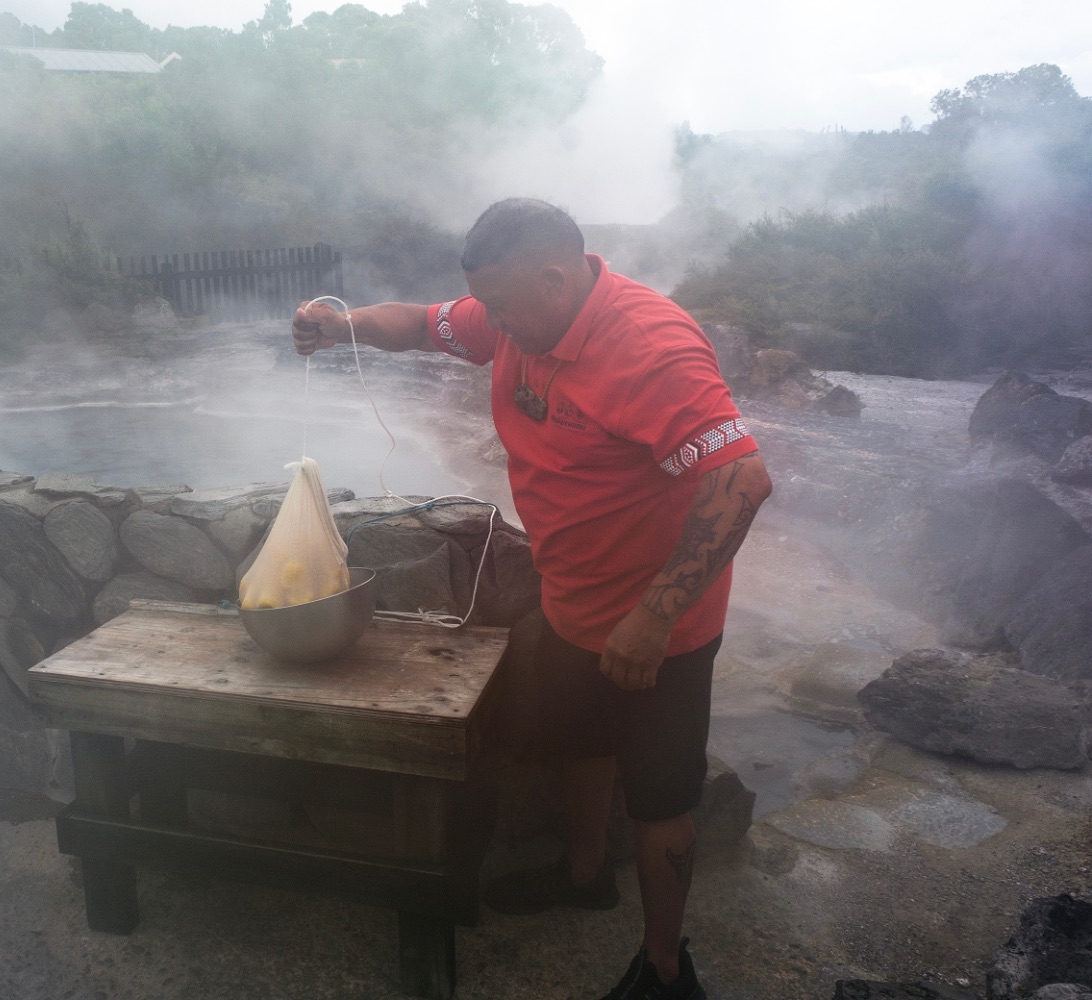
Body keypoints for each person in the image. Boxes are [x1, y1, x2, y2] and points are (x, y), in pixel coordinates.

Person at [291, 198, 771, 1000]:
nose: (494, 327)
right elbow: (422, 325)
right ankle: (583, 876)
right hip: (570, 601)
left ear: (555, 279)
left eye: (505, 310)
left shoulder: (648, 346)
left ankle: (663, 969)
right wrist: (345, 325)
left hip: (661, 630)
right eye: (490, 308)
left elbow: (741, 478)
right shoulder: (519, 314)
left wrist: (653, 620)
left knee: (660, 801)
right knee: (578, 747)